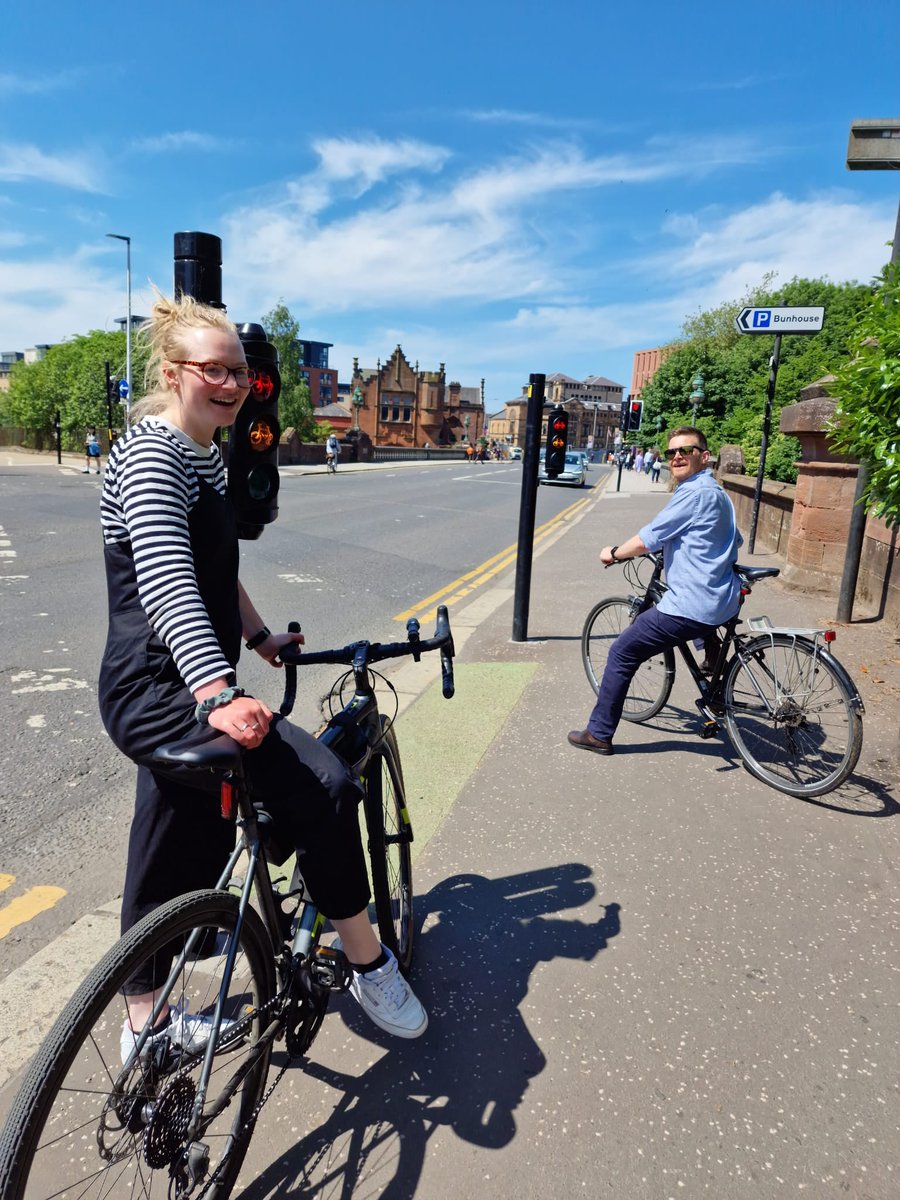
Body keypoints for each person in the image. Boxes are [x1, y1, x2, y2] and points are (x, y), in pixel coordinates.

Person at [99, 294, 427, 1062]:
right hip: (162, 690)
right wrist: (217, 693)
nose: (233, 383)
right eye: (214, 370)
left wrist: (257, 636)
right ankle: (367, 962)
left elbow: (215, 572)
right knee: (323, 785)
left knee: (168, 843)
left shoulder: (204, 454)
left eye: (239, 370)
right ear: (175, 373)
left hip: (176, 684)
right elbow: (170, 577)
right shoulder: (153, 453)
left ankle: (142, 1025)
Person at [569, 427, 742, 755]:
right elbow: (732, 540)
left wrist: (615, 552)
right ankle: (714, 675)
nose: (677, 456)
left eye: (686, 450)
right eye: (671, 452)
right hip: (724, 599)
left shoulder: (693, 493)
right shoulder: (719, 494)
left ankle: (599, 733)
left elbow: (651, 537)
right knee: (698, 623)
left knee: (622, 651)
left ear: (703, 457)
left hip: (694, 604)